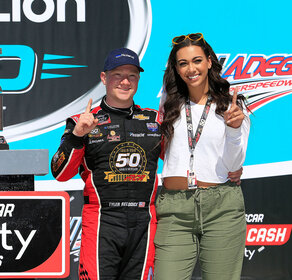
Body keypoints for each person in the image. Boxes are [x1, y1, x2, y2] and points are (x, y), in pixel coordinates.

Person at [51, 48, 162, 280]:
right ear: (104, 78)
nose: (125, 81)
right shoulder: (81, 121)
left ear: (139, 79)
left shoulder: (154, 120)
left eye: (132, 75)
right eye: (117, 75)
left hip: (145, 221)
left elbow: (182, 160)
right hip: (102, 219)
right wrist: (77, 136)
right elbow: (59, 172)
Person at [154, 33, 250, 280]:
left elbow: (233, 165)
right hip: (174, 208)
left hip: (221, 207)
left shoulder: (233, 105)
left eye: (197, 60)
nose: (191, 69)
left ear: (209, 61)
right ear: (176, 68)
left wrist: (234, 130)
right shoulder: (169, 104)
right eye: (183, 63)